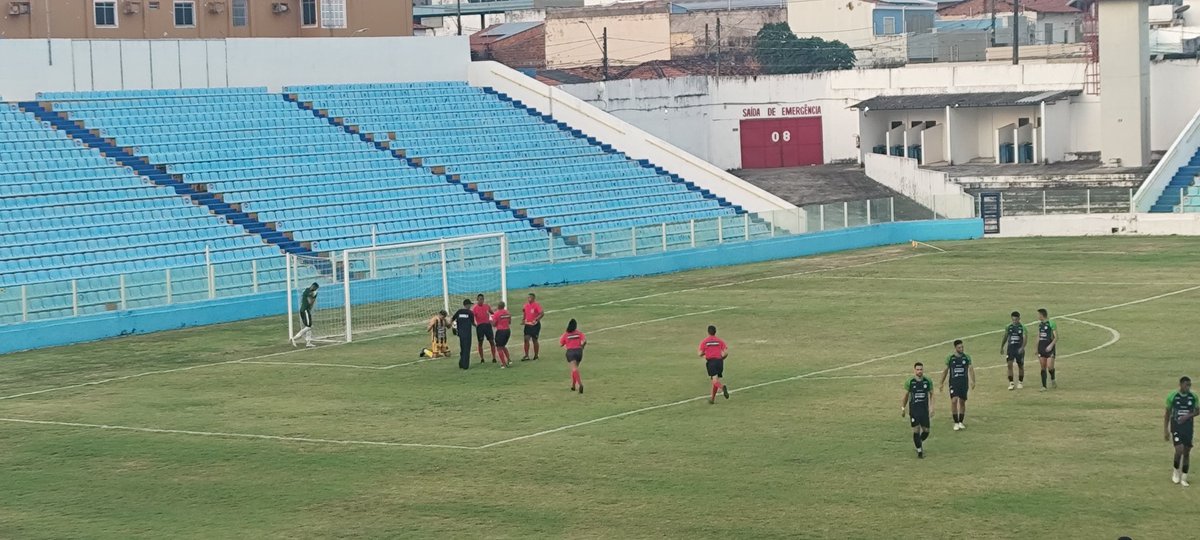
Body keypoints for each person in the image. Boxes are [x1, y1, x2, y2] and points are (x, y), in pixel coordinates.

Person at [1165, 376, 1199, 486]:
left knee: (1187, 452)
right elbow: (1167, 413)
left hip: (1188, 428)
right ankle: (1175, 472)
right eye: (1186, 385)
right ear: (1181, 385)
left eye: (1189, 385)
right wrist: (1166, 429)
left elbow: (1198, 411)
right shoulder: (1172, 396)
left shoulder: (1193, 397)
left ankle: (1184, 477)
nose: (1188, 387)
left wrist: (1187, 416)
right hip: (1176, 426)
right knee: (1179, 450)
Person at [939, 339, 975, 431]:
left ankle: (960, 421)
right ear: (955, 348)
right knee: (954, 401)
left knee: (962, 402)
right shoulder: (950, 358)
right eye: (959, 347)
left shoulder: (966, 357)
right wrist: (941, 383)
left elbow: (971, 369)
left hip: (963, 383)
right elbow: (945, 370)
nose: (961, 349)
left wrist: (973, 381)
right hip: (953, 383)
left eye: (962, 347)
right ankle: (955, 422)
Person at [902, 362, 934, 459]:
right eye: (918, 369)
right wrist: (903, 408)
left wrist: (932, 407)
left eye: (921, 369)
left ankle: (918, 442)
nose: (919, 371)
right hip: (914, 411)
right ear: (914, 370)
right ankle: (920, 451)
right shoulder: (910, 382)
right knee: (916, 430)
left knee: (926, 431)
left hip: (924, 410)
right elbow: (906, 396)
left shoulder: (927, 381)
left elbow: (932, 394)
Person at [698, 325, 729, 404]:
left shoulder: (705, 341)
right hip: (719, 361)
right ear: (715, 332)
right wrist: (722, 358)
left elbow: (699, 353)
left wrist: (705, 355)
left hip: (711, 362)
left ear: (708, 332)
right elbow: (726, 352)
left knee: (715, 381)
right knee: (715, 379)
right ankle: (712, 399)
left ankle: (722, 387)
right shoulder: (719, 341)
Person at [1001, 311, 1026, 390]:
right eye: (1013, 320)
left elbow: (1025, 338)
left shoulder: (1022, 327)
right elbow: (1005, 336)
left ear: (1019, 319)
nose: (1015, 321)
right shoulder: (1009, 327)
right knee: (1009, 364)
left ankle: (1020, 382)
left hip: (1019, 349)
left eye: (1016, 319)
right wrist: (1002, 347)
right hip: (1010, 349)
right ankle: (1011, 383)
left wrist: (1022, 348)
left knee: (1020, 365)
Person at [560, 319, 587, 394]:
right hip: (579, 351)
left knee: (574, 368)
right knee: (575, 369)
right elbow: (584, 341)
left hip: (571, 352)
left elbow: (561, 343)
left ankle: (580, 384)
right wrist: (582, 347)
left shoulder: (566, 334)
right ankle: (573, 385)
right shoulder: (579, 333)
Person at [290, 282, 319, 348]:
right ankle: (294, 338)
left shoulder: (308, 291)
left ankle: (308, 342)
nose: (315, 289)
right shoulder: (308, 291)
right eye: (315, 288)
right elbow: (310, 301)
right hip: (305, 310)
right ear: (313, 286)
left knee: (308, 326)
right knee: (309, 326)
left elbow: (311, 303)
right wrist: (313, 296)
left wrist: (314, 297)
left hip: (305, 310)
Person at [1036, 308, 1059, 391]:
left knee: (1050, 366)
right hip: (1041, 348)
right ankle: (1044, 386)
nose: (1037, 316)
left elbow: (1056, 337)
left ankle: (1053, 379)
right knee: (1043, 367)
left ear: (1042, 315)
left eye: (1038, 315)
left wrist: (1050, 346)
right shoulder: (1040, 325)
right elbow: (1038, 336)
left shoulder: (1051, 323)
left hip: (1050, 348)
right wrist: (1036, 348)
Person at [472, 293, 497, 363]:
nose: (481, 301)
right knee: (480, 342)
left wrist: (494, 319)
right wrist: (474, 325)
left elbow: (492, 313)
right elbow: (471, 318)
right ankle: (482, 358)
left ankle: (494, 357)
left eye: (482, 299)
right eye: (480, 299)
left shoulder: (487, 306)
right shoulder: (475, 308)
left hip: (487, 326)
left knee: (491, 341)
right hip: (480, 327)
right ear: (477, 300)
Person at [452, 299, 475, 370]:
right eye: (470, 305)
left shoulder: (459, 312)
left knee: (462, 348)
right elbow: (473, 322)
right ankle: (465, 365)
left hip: (461, 334)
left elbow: (453, 319)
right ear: (467, 305)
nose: (470, 306)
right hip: (467, 334)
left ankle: (461, 363)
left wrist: (454, 328)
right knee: (467, 349)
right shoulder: (470, 313)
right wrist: (478, 326)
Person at [522, 293, 544, 361]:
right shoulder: (525, 305)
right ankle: (526, 355)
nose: (529, 299)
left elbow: (542, 313)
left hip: (535, 325)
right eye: (528, 297)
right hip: (528, 325)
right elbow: (524, 313)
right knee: (526, 339)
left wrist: (536, 319)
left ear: (533, 298)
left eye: (530, 298)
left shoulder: (536, 305)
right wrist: (523, 320)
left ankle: (536, 355)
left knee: (535, 340)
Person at [492, 301, 513, 368]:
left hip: (501, 331)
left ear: (498, 306)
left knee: (499, 348)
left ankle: (503, 364)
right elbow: (509, 322)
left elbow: (494, 324)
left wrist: (490, 321)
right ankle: (509, 360)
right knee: (503, 346)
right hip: (507, 331)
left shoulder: (496, 313)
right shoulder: (508, 312)